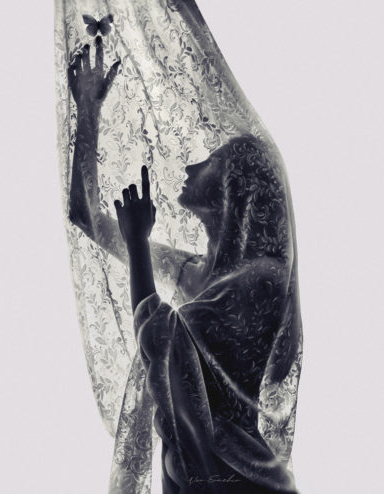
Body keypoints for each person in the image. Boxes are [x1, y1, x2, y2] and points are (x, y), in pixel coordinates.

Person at [68, 37, 302, 494]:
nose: (193, 165)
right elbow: (86, 216)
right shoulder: (198, 274)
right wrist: (89, 111)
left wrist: (138, 246)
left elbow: (162, 342)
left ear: (235, 188)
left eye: (212, 161)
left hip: (243, 481)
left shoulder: (263, 280)